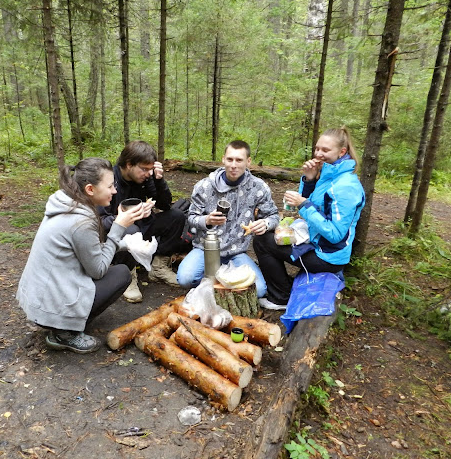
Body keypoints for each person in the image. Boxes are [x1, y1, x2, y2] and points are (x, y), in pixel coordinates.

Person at [16, 158, 145, 353]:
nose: (115, 191)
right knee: (121, 274)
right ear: (90, 189)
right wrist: (119, 228)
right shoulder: (80, 222)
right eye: (110, 186)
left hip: (38, 297)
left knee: (121, 251)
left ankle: (66, 323)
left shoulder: (67, 202)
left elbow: (87, 250)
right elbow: (98, 270)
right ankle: (64, 333)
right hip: (49, 306)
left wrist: (121, 243)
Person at [253, 126, 365, 310]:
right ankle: (283, 288)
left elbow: (336, 234)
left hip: (328, 257)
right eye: (317, 148)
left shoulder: (346, 186)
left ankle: (281, 296)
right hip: (317, 243)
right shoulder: (330, 174)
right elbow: (316, 204)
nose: (319, 154)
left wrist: (303, 204)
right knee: (269, 233)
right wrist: (310, 179)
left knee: (262, 242)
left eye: (325, 150)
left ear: (342, 152)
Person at [176, 140, 280, 298]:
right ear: (223, 159)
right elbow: (191, 218)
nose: (233, 165)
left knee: (259, 290)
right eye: (230, 159)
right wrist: (207, 221)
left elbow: (273, 216)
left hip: (236, 252)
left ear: (248, 161)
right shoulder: (204, 186)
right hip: (205, 249)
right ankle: (218, 285)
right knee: (185, 279)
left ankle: (217, 284)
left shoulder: (258, 187)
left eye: (239, 160)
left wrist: (265, 224)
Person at [99, 141, 188, 303]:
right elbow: (100, 222)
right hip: (116, 237)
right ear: (128, 164)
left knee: (176, 216)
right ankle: (127, 275)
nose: (148, 173)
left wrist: (159, 181)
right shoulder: (109, 181)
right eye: (144, 169)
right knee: (130, 229)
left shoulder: (145, 179)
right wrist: (126, 217)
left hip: (143, 225)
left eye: (150, 169)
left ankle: (159, 267)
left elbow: (165, 205)